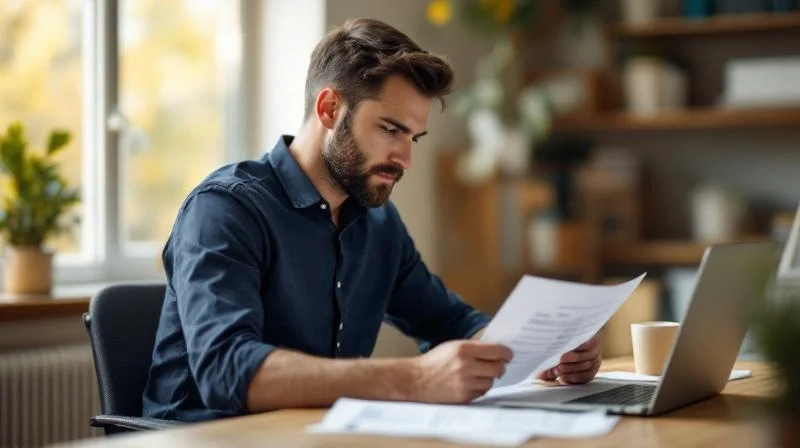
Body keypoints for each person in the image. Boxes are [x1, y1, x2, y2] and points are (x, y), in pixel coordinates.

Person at [142, 18, 601, 422]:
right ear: (329, 110)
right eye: (389, 129)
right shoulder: (224, 208)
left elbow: (450, 322)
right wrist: (414, 378)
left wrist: (542, 351)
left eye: (414, 137)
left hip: (314, 436)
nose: (404, 157)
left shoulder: (377, 224)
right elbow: (228, 371)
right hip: (205, 437)